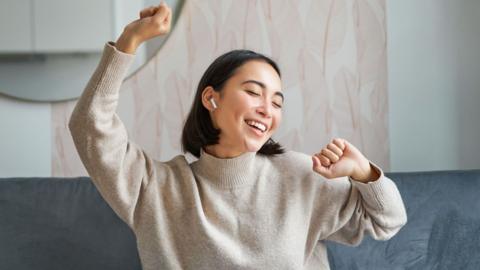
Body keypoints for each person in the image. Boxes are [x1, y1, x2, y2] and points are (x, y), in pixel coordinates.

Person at [68, 2, 407, 270]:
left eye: (277, 102)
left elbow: (388, 221)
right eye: (253, 92)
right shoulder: (156, 189)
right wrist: (130, 41)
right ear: (211, 98)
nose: (267, 109)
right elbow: (89, 126)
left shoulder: (301, 176)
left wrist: (364, 173)